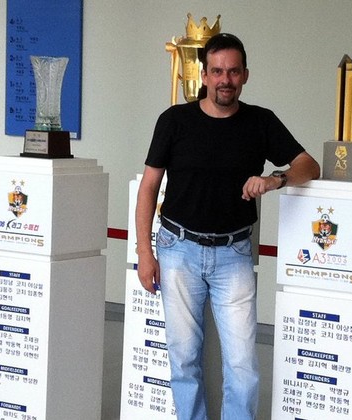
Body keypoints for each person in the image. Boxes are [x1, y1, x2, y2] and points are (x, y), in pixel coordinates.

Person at [135, 32, 320, 420]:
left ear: (245, 75)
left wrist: (275, 179)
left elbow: (309, 166)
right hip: (177, 250)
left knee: (243, 365)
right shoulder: (174, 121)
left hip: (233, 255)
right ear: (204, 75)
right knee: (183, 358)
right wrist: (145, 253)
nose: (225, 80)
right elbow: (149, 187)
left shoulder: (260, 122)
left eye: (233, 72)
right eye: (217, 71)